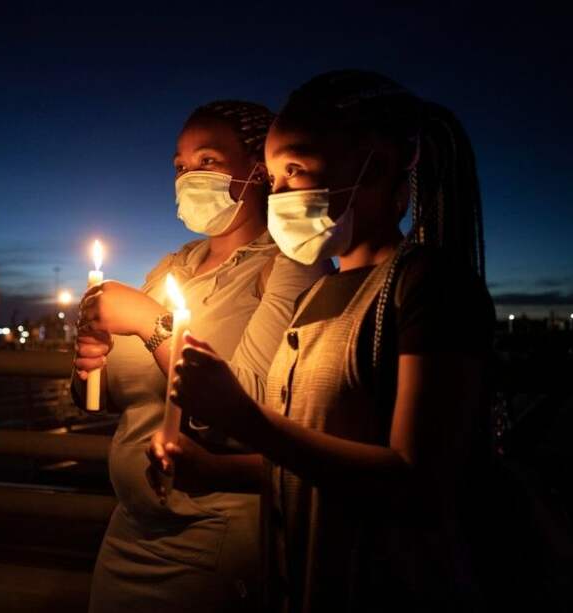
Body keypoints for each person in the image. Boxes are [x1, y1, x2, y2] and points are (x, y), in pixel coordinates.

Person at [170, 70, 495, 612]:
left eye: (295, 169)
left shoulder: (428, 287)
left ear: (379, 166)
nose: (276, 194)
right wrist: (213, 470)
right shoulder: (319, 294)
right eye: (273, 177)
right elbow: (319, 451)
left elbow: (418, 481)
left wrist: (245, 419)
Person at [75, 100, 331, 612]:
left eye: (207, 161)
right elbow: (108, 401)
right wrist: (87, 363)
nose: (188, 177)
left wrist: (151, 323)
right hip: (129, 526)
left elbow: (247, 406)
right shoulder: (175, 265)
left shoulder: (291, 265)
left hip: (210, 537)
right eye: (180, 167)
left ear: (259, 168)